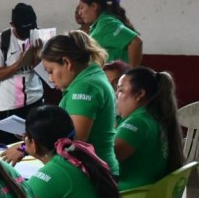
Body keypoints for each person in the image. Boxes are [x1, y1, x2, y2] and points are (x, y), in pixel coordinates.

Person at [14, 31, 120, 175]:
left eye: (50, 71)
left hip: (93, 174)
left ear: (67, 63)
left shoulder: (85, 87)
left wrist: (26, 148)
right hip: (92, 169)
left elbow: (72, 143)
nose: (50, 79)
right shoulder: (92, 77)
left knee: (24, 191)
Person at [114, 66, 185, 198]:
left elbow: (107, 159)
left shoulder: (137, 122)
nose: (117, 95)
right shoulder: (156, 117)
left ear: (140, 94)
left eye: (121, 90)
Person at [0, 3, 45, 138]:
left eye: (31, 29)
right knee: (10, 147)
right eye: (23, 31)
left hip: (35, 99)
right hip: (10, 104)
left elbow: (47, 74)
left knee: (37, 144)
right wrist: (19, 64)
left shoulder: (40, 36)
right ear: (12, 25)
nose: (27, 34)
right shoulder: (1, 40)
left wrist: (37, 56)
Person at [77, 0, 142, 66]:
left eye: (82, 8)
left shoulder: (106, 23)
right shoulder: (98, 25)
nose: (79, 13)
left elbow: (136, 42)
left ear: (94, 6)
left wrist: (132, 74)